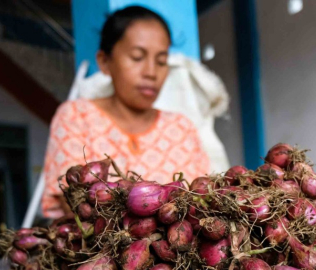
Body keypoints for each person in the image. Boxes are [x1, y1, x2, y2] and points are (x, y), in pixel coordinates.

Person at [42, 6, 210, 219]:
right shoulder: (76, 116)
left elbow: (202, 202)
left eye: (161, 61)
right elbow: (76, 207)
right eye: (137, 57)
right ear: (105, 62)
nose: (151, 72)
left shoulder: (181, 128)